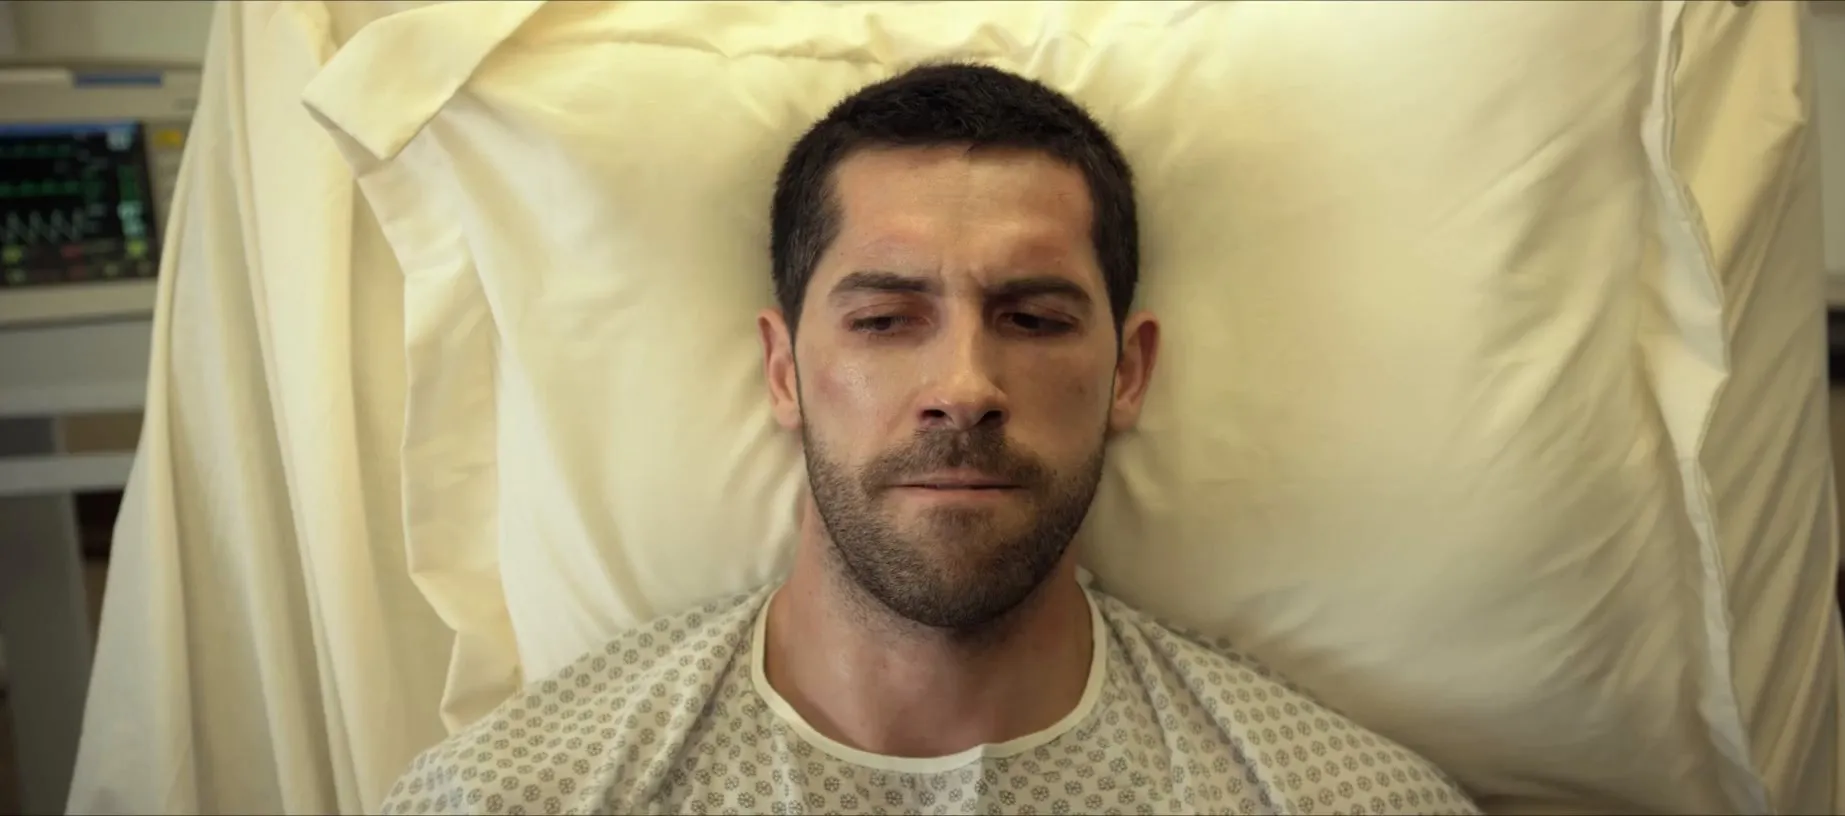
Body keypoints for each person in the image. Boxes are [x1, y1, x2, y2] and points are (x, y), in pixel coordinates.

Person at [382, 63, 1479, 816]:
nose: (963, 388)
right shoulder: (514, 796)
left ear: (1128, 373)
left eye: (1033, 318)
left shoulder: (1339, 798)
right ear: (784, 371)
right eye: (884, 319)